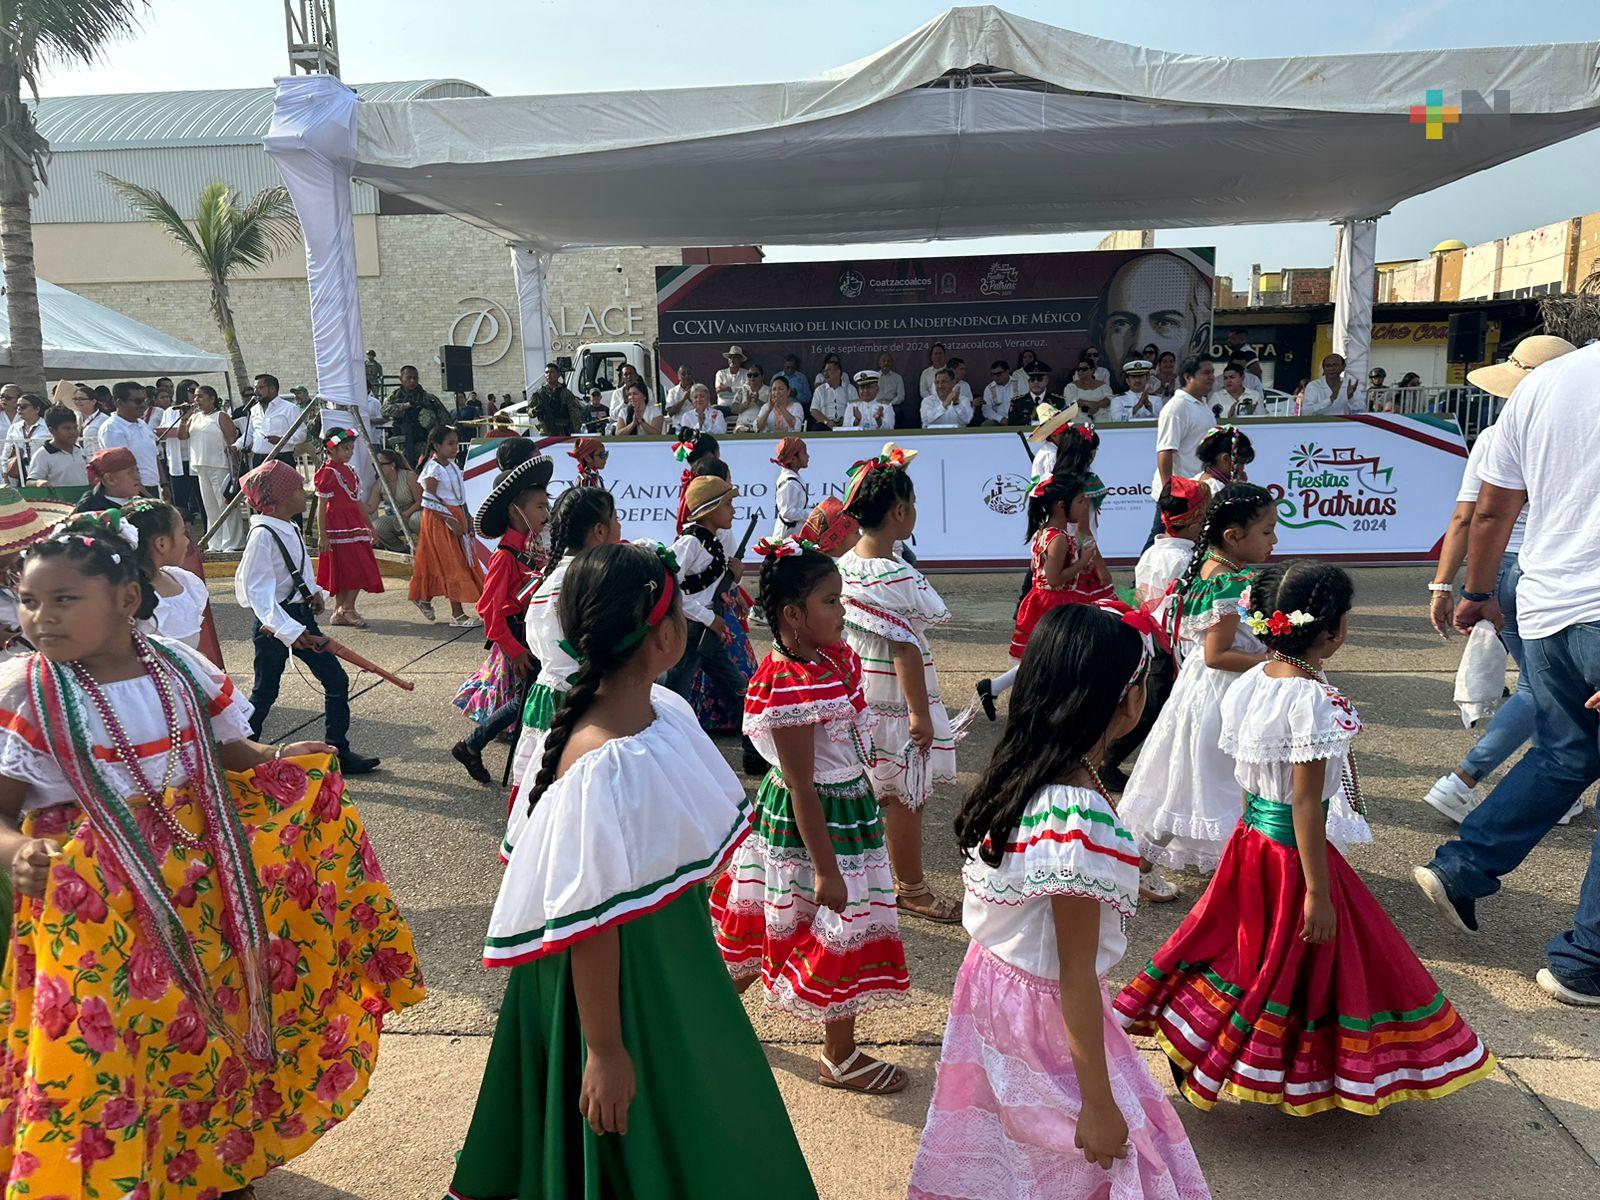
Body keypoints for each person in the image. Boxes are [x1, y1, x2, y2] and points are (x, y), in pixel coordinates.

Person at [0, 512, 421, 1200]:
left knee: (207, 1033)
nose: (40, 618)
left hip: (206, 893)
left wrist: (281, 759)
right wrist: (20, 851)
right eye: (29, 600)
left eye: (64, 599)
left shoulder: (182, 670)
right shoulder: (28, 691)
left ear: (127, 600)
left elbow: (231, 754)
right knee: (113, 1051)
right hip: (96, 914)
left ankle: (214, 1166)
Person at [451, 542, 816, 1199]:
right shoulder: (602, 766)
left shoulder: (660, 717)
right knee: (660, 1125)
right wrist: (605, 1050)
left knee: (696, 1114)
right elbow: (589, 920)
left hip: (666, 956)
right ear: (666, 635)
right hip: (621, 984)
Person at [1118, 561, 1496, 1114]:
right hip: (1294, 853)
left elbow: (1252, 776)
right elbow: (1304, 802)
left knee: (1251, 947)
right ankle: (1259, 1058)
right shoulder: (1312, 701)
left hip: (1252, 842)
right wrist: (1318, 891)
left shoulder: (1252, 680)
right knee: (1290, 957)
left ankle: (1222, 1044)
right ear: (1332, 632)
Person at [909, 604, 1211, 1200]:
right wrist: (1097, 1105)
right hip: (1049, 1013)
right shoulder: (1077, 818)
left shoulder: (1020, 770)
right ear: (1124, 703)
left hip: (995, 987)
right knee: (1103, 1156)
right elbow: (1074, 971)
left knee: (1012, 1141)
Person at [1414, 340, 1600, 1006]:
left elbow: (1491, 510)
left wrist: (1476, 590)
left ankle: (1463, 867)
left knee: (1563, 754)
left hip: (1547, 606)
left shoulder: (1547, 385)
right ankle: (1585, 960)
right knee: (1565, 754)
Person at [710, 539, 912, 1094]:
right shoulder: (790, 681)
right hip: (815, 822)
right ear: (793, 615)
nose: (842, 611)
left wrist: (876, 783)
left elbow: (845, 743)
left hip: (842, 809)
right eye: (831, 601)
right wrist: (826, 868)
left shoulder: (831, 658)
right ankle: (838, 1055)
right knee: (831, 922)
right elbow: (801, 781)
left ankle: (715, 1020)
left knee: (785, 920)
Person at [1421, 337, 1579, 824]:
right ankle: (1465, 779)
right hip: (1548, 567)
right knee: (1541, 687)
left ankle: (1558, 780)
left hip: (1511, 568)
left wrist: (1450, 586)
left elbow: (1468, 516)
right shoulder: (1576, 432)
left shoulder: (1495, 434)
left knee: (1549, 685)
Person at [839, 444, 961, 924]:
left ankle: (865, 883)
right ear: (900, 511)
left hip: (859, 693)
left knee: (871, 790)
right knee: (908, 796)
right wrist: (919, 713)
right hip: (894, 697)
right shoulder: (897, 574)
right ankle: (910, 887)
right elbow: (906, 648)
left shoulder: (844, 564)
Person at [235, 460, 381, 775]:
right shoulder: (262, 535)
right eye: (299, 489)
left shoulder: (289, 526)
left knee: (336, 680)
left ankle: (337, 750)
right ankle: (240, 754)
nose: (306, 493)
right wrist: (287, 629)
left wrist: (313, 592)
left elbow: (296, 571)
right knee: (265, 691)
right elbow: (256, 591)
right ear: (280, 499)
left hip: (299, 616)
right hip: (274, 624)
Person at [503, 486, 621, 824]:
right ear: (600, 531)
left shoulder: (553, 578)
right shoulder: (591, 578)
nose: (619, 526)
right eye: (616, 518)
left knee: (543, 785)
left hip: (548, 693)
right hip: (583, 699)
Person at [1100, 477, 1210, 792]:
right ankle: (1108, 758)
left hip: (1150, 635)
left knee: (1158, 704)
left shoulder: (1154, 551)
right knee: (1154, 707)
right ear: (1195, 520)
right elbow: (1178, 608)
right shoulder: (1184, 560)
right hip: (1167, 642)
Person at [451, 455, 554, 785]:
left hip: (529, 634)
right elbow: (488, 610)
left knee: (525, 700)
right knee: (525, 701)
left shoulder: (529, 549)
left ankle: (475, 746)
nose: (546, 514)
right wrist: (514, 650)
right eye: (539, 507)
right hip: (516, 637)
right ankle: (471, 745)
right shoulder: (505, 557)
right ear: (515, 511)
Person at [664, 477, 763, 773]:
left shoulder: (712, 542)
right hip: (694, 630)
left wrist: (734, 575)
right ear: (710, 510)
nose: (733, 510)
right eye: (728, 504)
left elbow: (707, 589)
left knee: (738, 690)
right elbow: (674, 591)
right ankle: (666, 758)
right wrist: (709, 618)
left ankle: (753, 754)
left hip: (707, 629)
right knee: (673, 698)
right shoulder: (691, 542)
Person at [410, 424, 482, 625]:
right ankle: (457, 615)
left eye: (456, 444)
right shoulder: (433, 468)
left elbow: (461, 496)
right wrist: (451, 521)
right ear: (436, 445)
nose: (454, 448)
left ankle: (424, 598)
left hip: (456, 515)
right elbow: (428, 499)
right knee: (452, 563)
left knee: (453, 561)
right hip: (440, 519)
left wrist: (467, 517)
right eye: (450, 444)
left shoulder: (452, 466)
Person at [313, 428, 384, 628]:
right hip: (337, 526)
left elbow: (357, 502)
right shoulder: (327, 473)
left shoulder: (350, 471)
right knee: (349, 568)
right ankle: (346, 608)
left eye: (351, 448)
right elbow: (321, 506)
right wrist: (323, 535)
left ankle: (342, 610)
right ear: (331, 450)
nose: (349, 452)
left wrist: (369, 526)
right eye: (345, 448)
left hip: (354, 523)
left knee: (357, 566)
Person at [1146, 357, 1218, 548]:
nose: (1212, 377)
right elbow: (1165, 451)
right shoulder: (1176, 407)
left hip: (1195, 489)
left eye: (1212, 372)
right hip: (1178, 492)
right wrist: (1169, 491)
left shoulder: (1202, 405)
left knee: (1186, 542)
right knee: (1161, 539)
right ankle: (1142, 578)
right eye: (1206, 372)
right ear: (1188, 377)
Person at [124, 497, 210, 649]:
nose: (187, 541)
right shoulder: (128, 597)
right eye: (183, 533)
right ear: (162, 544)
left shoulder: (183, 581)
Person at [183, 385, 245, 550]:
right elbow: (183, 436)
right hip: (201, 466)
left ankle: (233, 542)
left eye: (201, 397)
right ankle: (215, 542)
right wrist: (184, 418)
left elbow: (232, 440)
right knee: (210, 506)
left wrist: (235, 466)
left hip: (220, 465)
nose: (197, 400)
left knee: (224, 504)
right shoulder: (194, 417)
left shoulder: (221, 416)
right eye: (195, 397)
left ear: (212, 399)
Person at [97, 381, 159, 492]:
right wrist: (144, 495)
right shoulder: (112, 429)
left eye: (145, 400)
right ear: (119, 403)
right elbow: (121, 468)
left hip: (152, 487)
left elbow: (154, 456)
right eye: (138, 401)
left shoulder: (142, 424)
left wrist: (164, 485)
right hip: (131, 491)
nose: (143, 405)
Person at [382, 365, 451, 464]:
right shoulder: (394, 397)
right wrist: (404, 406)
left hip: (423, 443)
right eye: (409, 378)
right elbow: (384, 410)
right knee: (404, 470)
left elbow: (446, 418)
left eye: (415, 378)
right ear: (401, 379)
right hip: (403, 444)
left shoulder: (428, 398)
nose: (412, 381)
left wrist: (429, 419)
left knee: (423, 469)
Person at [368, 446, 423, 552]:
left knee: (416, 520)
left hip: (414, 512)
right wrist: (354, 500)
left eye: (380, 464)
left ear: (392, 465)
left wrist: (406, 514)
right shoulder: (379, 483)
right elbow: (370, 507)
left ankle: (427, 547)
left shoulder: (409, 476)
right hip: (395, 517)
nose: (377, 467)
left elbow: (420, 501)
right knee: (377, 527)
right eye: (375, 464)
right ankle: (401, 549)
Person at [27, 404, 89, 491]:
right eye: (67, 428)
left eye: (75, 428)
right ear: (52, 430)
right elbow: (30, 482)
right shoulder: (43, 454)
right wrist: (39, 483)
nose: (73, 432)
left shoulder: (79, 450)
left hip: (82, 501)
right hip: (59, 503)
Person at [246, 374, 301, 469]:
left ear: (272, 389)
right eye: (255, 388)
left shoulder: (289, 408)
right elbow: (250, 434)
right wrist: (236, 446)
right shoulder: (254, 410)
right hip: (259, 460)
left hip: (281, 459)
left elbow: (301, 434)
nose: (256, 391)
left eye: (260, 388)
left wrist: (281, 440)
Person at [75, 446, 143, 513]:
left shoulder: (141, 499)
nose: (137, 477)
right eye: (130, 473)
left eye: (137, 470)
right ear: (110, 479)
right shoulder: (93, 510)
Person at [1194, 425, 1254, 496]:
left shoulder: (1197, 478)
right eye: (1241, 463)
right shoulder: (1216, 490)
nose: (1243, 468)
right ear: (1225, 458)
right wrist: (1241, 490)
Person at [529, 362, 586, 436]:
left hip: (563, 431)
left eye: (552, 372)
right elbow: (529, 410)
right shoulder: (539, 393)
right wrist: (533, 411)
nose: (548, 375)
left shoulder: (565, 393)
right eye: (546, 372)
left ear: (558, 374)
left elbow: (574, 413)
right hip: (546, 431)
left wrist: (576, 431)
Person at [1299, 352, 1365, 415]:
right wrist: (1329, 400)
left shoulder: (1350, 385)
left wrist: (1351, 398)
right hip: (1320, 425)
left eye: (1335, 365)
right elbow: (1306, 412)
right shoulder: (1314, 386)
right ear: (1323, 369)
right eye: (1328, 366)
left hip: (1344, 425)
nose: (1331, 368)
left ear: (1343, 367)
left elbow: (1361, 411)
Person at [770, 436, 809, 539]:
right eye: (804, 453)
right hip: (785, 541)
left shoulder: (793, 479)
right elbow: (787, 512)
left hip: (792, 538)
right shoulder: (789, 482)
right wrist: (809, 515)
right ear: (793, 458)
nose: (808, 456)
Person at [2, 393, 46, 484]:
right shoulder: (14, 428)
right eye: (17, 406)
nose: (19, 409)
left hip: (42, 471)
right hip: (19, 472)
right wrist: (5, 474)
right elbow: (6, 453)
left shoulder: (47, 426)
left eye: (23, 406)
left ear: (37, 409)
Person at [1107, 358, 1159, 423]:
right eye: (1133, 377)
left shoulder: (1157, 400)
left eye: (1140, 376)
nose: (1137, 380)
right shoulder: (1117, 400)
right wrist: (1138, 406)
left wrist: (1149, 407)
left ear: (1147, 378)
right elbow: (1117, 420)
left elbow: (1161, 420)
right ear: (1127, 380)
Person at [810, 359, 856, 430]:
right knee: (817, 427)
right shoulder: (820, 390)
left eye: (828, 370)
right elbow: (814, 411)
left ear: (838, 372)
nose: (825, 373)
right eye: (824, 371)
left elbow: (856, 408)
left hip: (846, 424)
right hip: (825, 424)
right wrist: (828, 422)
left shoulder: (850, 388)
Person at [980, 359, 1022, 425]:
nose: (995, 377)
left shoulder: (1019, 384)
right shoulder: (989, 388)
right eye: (993, 374)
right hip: (998, 420)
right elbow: (986, 410)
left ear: (1007, 371)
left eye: (998, 374)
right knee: (986, 425)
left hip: (1018, 418)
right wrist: (1000, 419)